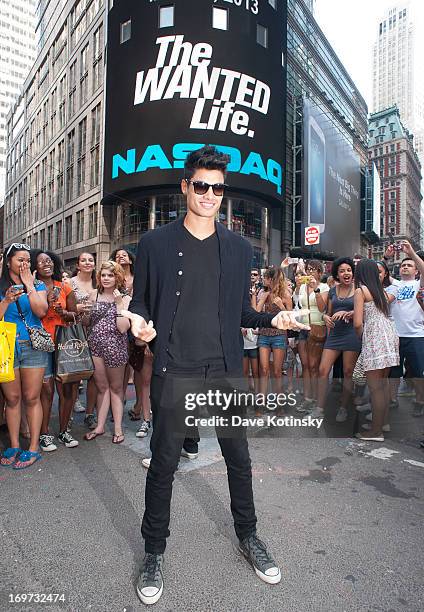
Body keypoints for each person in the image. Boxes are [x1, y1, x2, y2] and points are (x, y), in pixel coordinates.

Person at [123, 145, 309, 605]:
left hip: (224, 368)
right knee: (164, 463)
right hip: (174, 365)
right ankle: (153, 550)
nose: (210, 194)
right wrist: (137, 322)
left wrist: (274, 321)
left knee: (238, 460)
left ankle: (248, 536)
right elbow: (141, 301)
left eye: (218, 188)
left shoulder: (239, 248)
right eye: (202, 185)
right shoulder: (154, 245)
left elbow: (243, 311)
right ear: (186, 186)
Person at [0, 244, 48, 469]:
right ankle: (14, 444)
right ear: (8, 261)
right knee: (12, 399)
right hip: (6, 345)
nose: (25, 264)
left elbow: (41, 311)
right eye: (20, 260)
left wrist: (29, 284)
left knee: (31, 397)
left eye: (28, 260)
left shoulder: (37, 284)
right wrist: (7, 300)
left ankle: (33, 448)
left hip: (32, 345)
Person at [31, 250, 79, 450]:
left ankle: (64, 432)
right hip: (41, 345)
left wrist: (63, 312)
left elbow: (75, 316)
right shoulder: (32, 289)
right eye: (41, 262)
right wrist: (46, 302)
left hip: (62, 345)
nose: (46, 264)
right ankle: (44, 434)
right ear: (35, 266)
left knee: (66, 389)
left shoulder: (65, 287)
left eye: (49, 260)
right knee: (47, 390)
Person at [83, 261, 131, 444]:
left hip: (116, 347)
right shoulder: (93, 295)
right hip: (95, 347)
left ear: (117, 277)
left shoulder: (125, 299)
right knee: (102, 388)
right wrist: (85, 313)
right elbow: (87, 323)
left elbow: (123, 328)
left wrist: (119, 304)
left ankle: (118, 428)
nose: (106, 278)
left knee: (116, 388)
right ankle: (100, 426)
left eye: (110, 275)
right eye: (103, 275)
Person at [353, 259, 399, 441]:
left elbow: (358, 323)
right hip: (389, 335)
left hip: (374, 338)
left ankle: (375, 432)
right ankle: (382, 423)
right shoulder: (381, 291)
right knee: (383, 384)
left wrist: (361, 336)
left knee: (375, 389)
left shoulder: (360, 291)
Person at [316, 257, 361, 422]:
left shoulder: (359, 289)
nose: (346, 273)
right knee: (323, 370)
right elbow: (327, 312)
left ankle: (343, 407)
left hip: (351, 334)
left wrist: (351, 313)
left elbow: (365, 311)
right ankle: (319, 408)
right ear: (337, 274)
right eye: (342, 271)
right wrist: (325, 317)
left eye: (348, 270)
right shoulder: (333, 291)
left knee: (348, 372)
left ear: (352, 272)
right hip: (334, 334)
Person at [385, 241, 424, 417]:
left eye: (409, 265)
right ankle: (392, 400)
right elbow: (381, 273)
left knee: (417, 371)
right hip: (395, 335)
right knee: (394, 371)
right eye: (403, 265)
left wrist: (411, 253)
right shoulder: (395, 285)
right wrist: (387, 256)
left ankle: (420, 401)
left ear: (416, 271)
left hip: (416, 335)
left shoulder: (418, 284)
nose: (405, 267)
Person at [253, 267, 292, 402]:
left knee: (277, 372)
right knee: (263, 370)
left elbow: (291, 319)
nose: (263, 280)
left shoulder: (285, 294)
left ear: (271, 280)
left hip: (279, 335)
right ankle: (261, 401)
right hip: (264, 334)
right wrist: (261, 299)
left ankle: (279, 403)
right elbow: (256, 314)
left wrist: (281, 305)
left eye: (265, 278)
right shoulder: (263, 293)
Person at [295, 261, 328, 413]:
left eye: (314, 270)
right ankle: (308, 398)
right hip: (303, 328)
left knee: (315, 366)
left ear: (320, 273)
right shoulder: (302, 286)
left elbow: (322, 308)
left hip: (317, 327)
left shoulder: (325, 287)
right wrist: (297, 283)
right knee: (305, 365)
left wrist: (315, 288)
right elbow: (298, 304)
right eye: (309, 269)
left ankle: (316, 398)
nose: (311, 272)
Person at [71, 253, 98, 428]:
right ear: (78, 265)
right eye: (83, 260)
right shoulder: (70, 283)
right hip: (74, 332)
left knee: (95, 375)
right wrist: (77, 307)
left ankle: (90, 414)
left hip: (96, 332)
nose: (87, 263)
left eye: (91, 260)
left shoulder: (99, 283)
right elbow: (62, 306)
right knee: (74, 374)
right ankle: (70, 410)